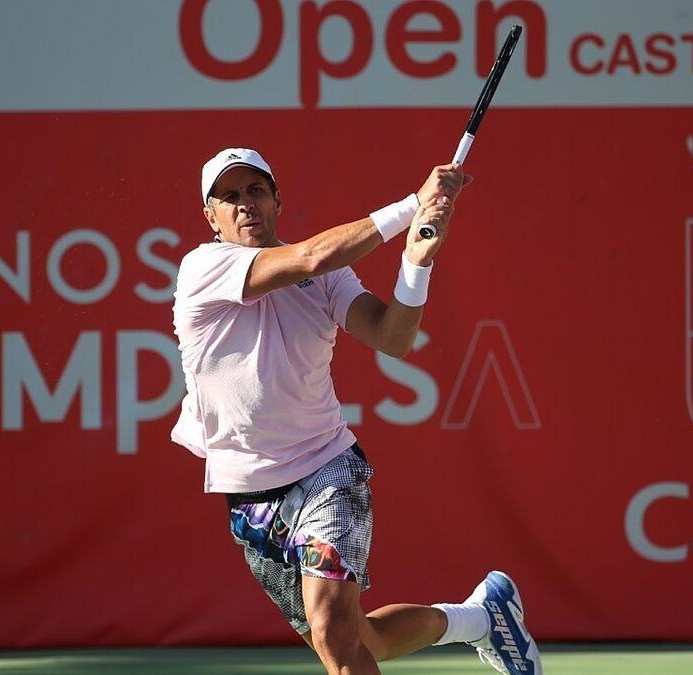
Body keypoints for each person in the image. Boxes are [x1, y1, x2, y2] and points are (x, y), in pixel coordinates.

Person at [170, 147, 542, 675]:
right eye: (229, 197)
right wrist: (413, 205)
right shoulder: (204, 267)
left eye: (255, 191)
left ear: (277, 200)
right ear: (211, 217)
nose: (245, 204)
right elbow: (308, 257)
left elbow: (392, 337)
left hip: (328, 472)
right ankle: (481, 618)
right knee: (357, 639)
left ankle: (480, 619)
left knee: (335, 638)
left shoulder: (325, 279)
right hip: (250, 494)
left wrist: (416, 261)